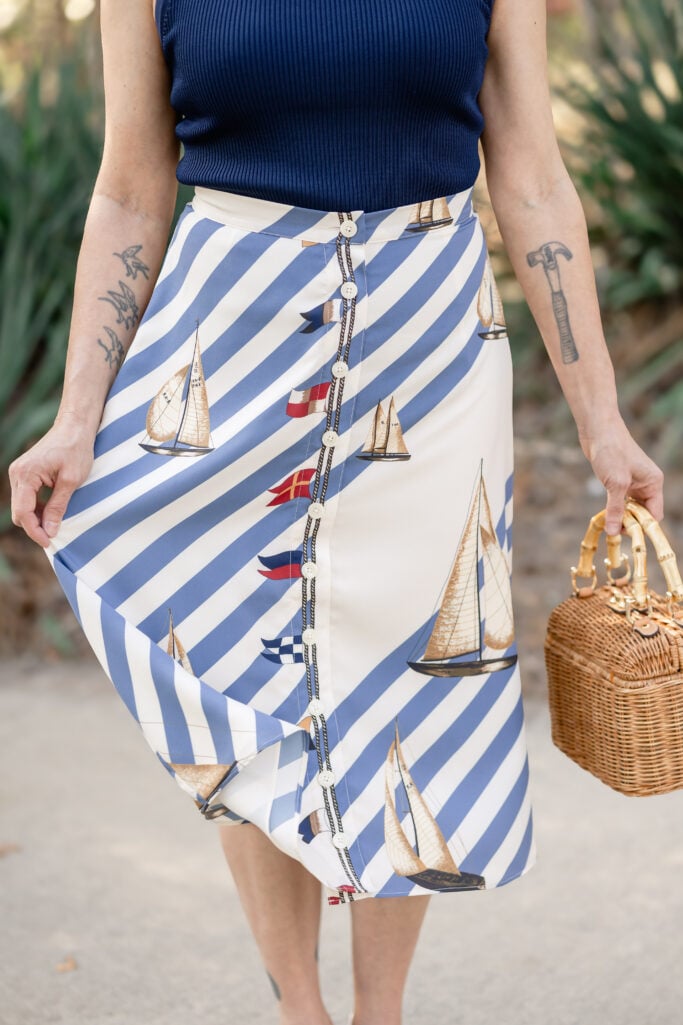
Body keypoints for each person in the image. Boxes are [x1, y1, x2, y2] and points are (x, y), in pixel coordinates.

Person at [9, 1, 664, 1024]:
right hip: (224, 350)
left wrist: (601, 421)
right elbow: (131, 187)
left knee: (413, 679)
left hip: (429, 350)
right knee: (243, 664)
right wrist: (76, 417)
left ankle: (380, 1013)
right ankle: (301, 1012)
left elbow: (531, 175)